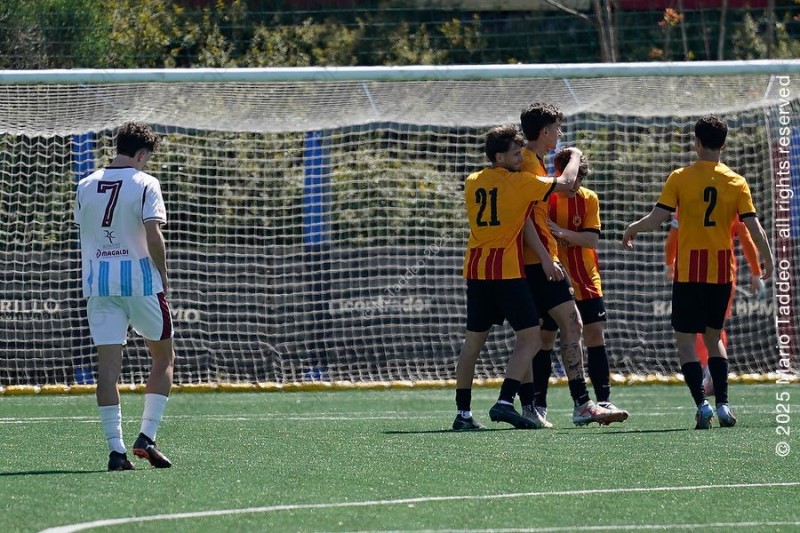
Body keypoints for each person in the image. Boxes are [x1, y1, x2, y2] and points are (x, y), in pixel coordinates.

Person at [622, 115, 773, 429]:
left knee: (686, 341)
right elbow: (753, 228)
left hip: (689, 270)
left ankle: (702, 405)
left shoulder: (680, 177)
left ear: (697, 142)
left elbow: (657, 219)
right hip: (721, 271)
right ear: (724, 144)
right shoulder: (736, 181)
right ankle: (723, 406)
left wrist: (632, 228)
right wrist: (767, 260)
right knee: (714, 337)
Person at [453, 124, 582, 431]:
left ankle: (463, 413)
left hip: (476, 270)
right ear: (499, 157)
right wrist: (575, 154)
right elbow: (567, 182)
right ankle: (504, 400)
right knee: (531, 337)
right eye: (514, 154)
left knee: (472, 345)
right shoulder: (520, 182)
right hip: (505, 272)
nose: (520, 157)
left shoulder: (472, 180)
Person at [517, 103, 626, 427]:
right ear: (544, 131)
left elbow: (589, 238)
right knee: (543, 335)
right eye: (556, 128)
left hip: (555, 266)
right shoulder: (529, 164)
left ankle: (541, 405)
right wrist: (575, 154)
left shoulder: (535, 164)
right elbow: (537, 209)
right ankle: (556, 404)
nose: (560, 133)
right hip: (539, 264)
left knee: (559, 331)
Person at [74, 121, 175, 469]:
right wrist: (163, 272)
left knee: (108, 369)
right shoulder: (146, 183)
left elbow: (89, 231)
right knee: (163, 358)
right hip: (141, 282)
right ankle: (146, 436)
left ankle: (116, 452)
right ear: (142, 154)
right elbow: (153, 234)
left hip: (99, 285)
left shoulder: (85, 185)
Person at [537, 149, 629, 421]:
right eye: (572, 177)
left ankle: (603, 400)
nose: (576, 183)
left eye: (580, 178)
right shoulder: (545, 197)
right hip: (553, 279)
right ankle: (538, 405)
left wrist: (560, 232)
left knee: (595, 335)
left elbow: (591, 240)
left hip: (586, 279)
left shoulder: (589, 199)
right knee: (544, 339)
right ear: (559, 173)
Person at [664, 211, 765, 395]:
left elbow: (673, 236)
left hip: (691, 273)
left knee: (693, 329)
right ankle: (713, 375)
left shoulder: (686, 200)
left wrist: (669, 263)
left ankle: (708, 372)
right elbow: (747, 237)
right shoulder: (731, 200)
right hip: (723, 274)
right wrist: (756, 272)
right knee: (715, 328)